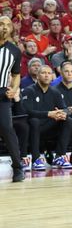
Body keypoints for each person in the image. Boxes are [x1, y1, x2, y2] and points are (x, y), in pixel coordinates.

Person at [20, 65, 72, 170]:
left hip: (49, 126)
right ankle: (36, 159)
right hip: (33, 127)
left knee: (68, 120)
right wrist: (49, 114)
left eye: (49, 73)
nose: (46, 76)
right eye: (43, 73)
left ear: (52, 77)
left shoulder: (55, 92)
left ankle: (60, 156)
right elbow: (27, 111)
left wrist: (64, 113)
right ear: (37, 76)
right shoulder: (29, 91)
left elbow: (63, 108)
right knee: (34, 121)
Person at [0, 16, 25, 182]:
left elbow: (16, 75)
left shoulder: (14, 51)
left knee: (7, 129)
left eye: (8, 25)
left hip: (2, 94)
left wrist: (14, 89)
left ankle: (18, 167)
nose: (4, 27)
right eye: (1, 24)